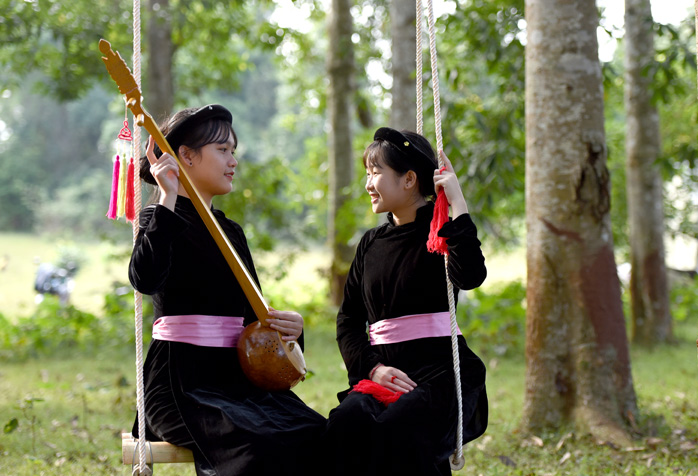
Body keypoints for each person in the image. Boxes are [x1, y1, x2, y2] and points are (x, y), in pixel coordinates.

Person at [128, 104, 326, 476]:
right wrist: (167, 196)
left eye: (233, 151)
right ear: (186, 156)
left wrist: (291, 328)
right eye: (222, 150)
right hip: (180, 383)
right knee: (256, 446)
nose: (233, 161)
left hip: (237, 381)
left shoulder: (231, 232)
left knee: (316, 433)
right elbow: (145, 280)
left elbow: (253, 319)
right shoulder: (160, 218)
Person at [326, 127, 488, 476]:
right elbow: (348, 321)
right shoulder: (371, 244)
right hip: (385, 372)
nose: (368, 184)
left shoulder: (442, 231)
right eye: (367, 174)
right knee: (346, 422)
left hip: (439, 374)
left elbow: (471, 276)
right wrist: (374, 369)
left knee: (399, 430)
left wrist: (458, 205)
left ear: (409, 179)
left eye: (375, 173)